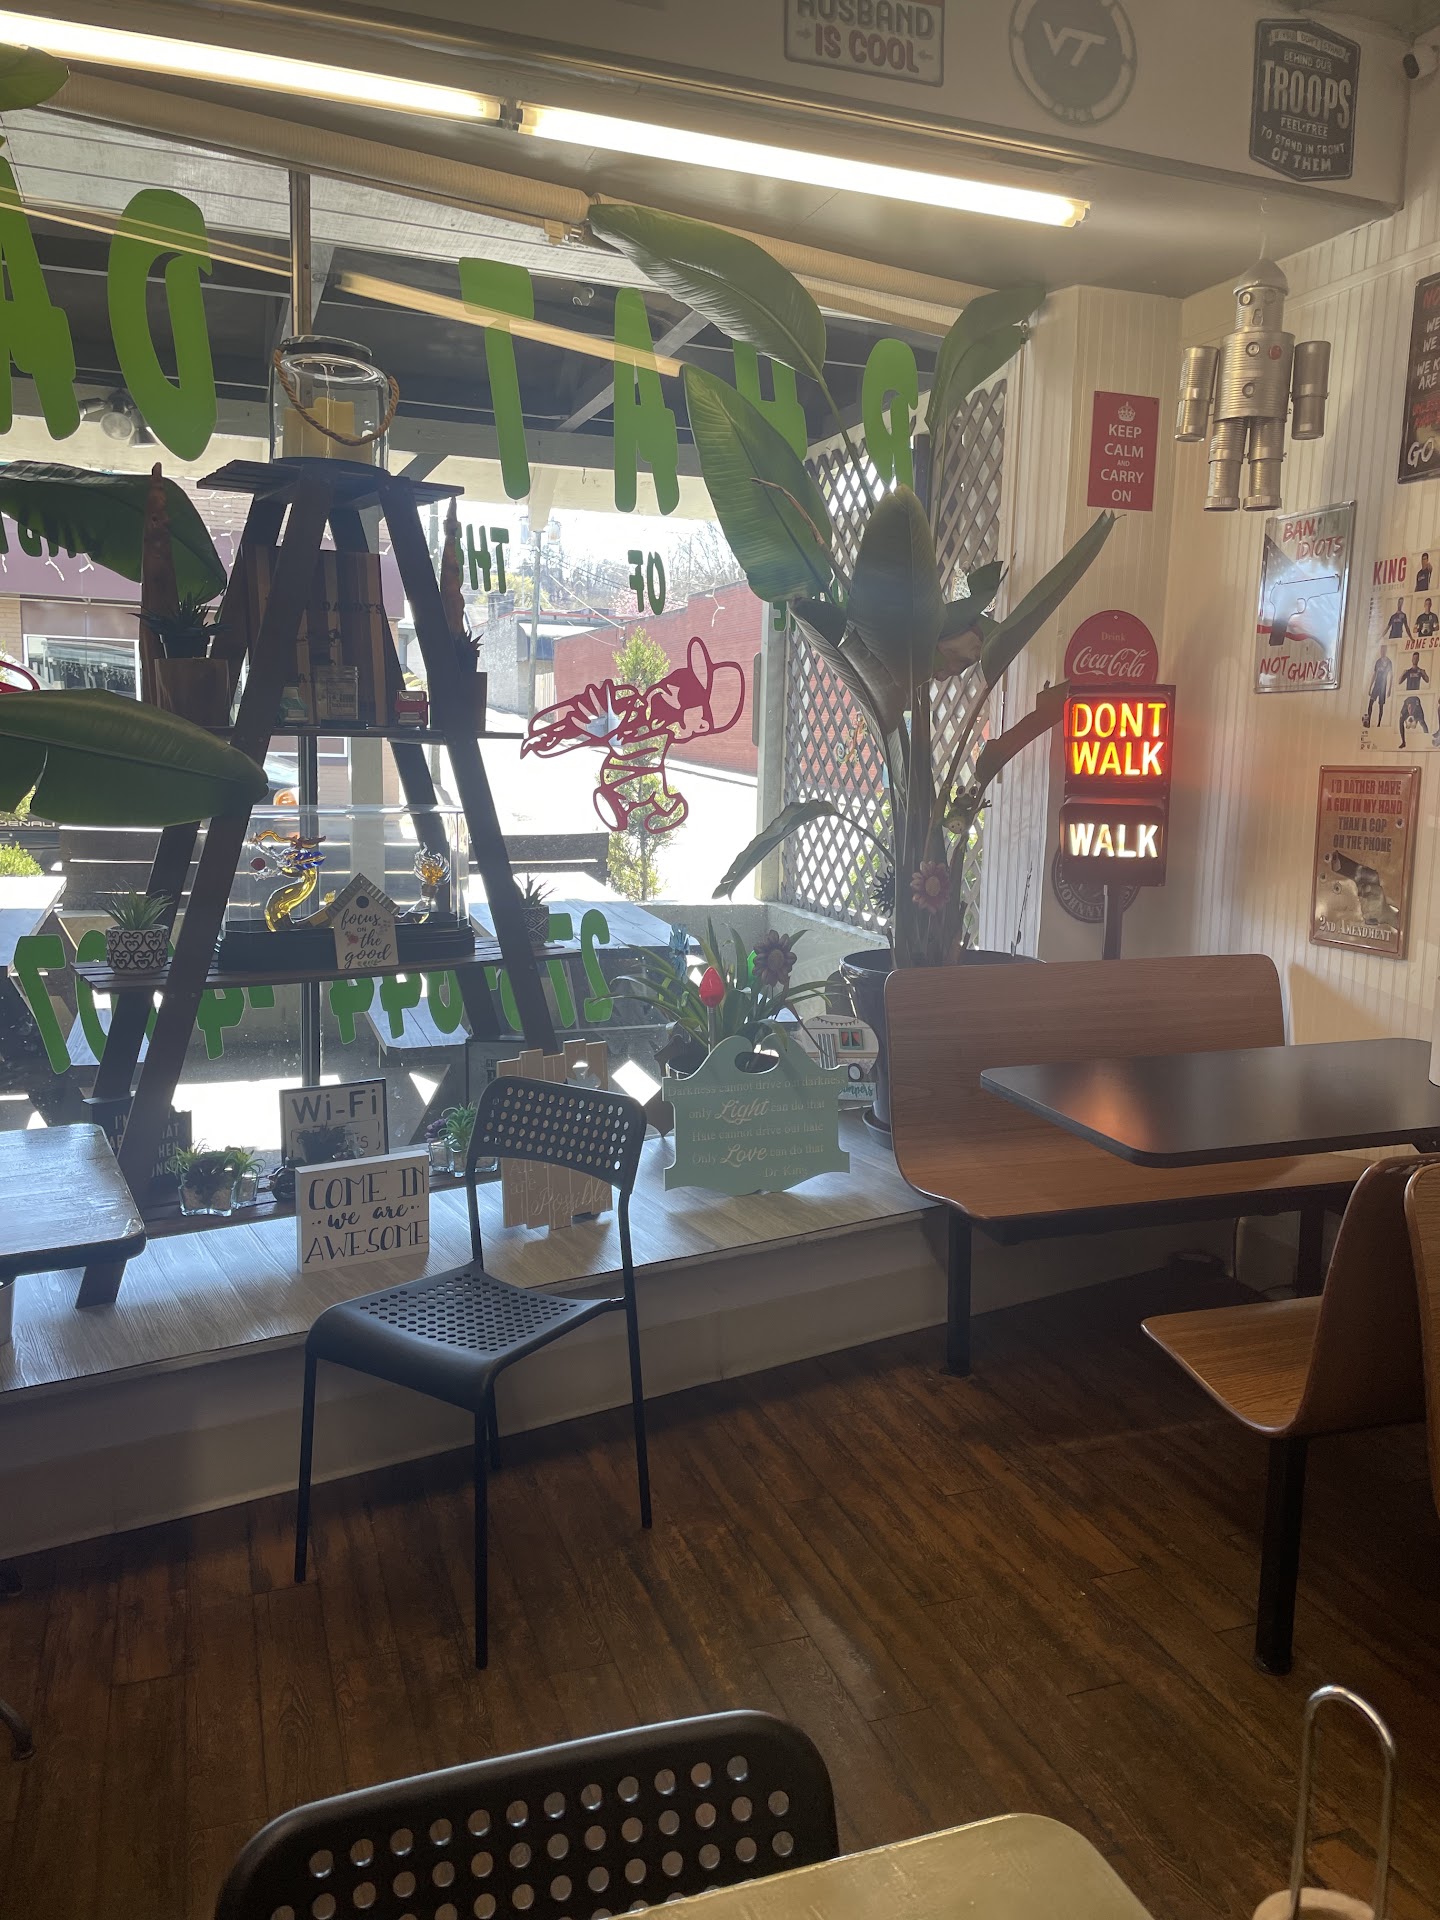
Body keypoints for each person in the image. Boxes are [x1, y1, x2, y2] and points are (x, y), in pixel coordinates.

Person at [1398, 651, 1430, 746]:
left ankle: (1427, 740)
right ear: (1412, 659)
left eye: (1416, 658)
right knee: (1400, 720)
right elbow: (1399, 682)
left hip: (1415, 698)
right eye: (1414, 658)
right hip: (1408, 698)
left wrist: (1424, 673)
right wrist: (1402, 674)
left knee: (1422, 721)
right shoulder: (1408, 671)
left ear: (1418, 659)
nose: (1415, 660)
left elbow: (1427, 680)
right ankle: (1403, 742)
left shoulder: (1420, 671)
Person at [1365, 643, 1393, 727]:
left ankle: (1379, 724)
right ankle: (1368, 722)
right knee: (1370, 703)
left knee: (1381, 705)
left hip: (1383, 686)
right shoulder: (1378, 661)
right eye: (1381, 650)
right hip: (1376, 685)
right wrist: (1370, 687)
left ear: (1386, 650)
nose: (1382, 652)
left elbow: (1391, 675)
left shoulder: (1389, 662)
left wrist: (1389, 689)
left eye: (1384, 650)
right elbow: (1374, 674)